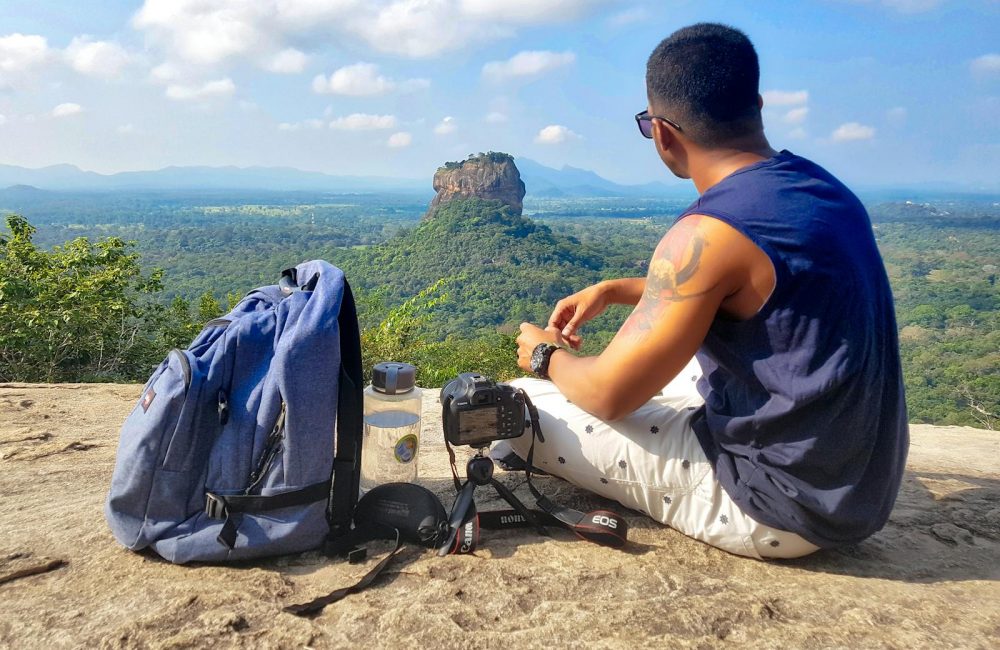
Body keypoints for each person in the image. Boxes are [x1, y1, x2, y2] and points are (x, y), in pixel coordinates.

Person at [504, 23, 908, 559]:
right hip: (855, 484)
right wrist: (616, 288)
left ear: (663, 132)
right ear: (757, 105)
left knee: (516, 407)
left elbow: (607, 394)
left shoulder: (704, 233)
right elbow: (759, 288)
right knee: (686, 364)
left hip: (776, 506)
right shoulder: (823, 189)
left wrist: (543, 354)